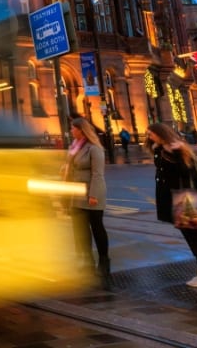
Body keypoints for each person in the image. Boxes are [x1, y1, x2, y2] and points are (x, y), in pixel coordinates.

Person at [145, 122, 197, 288]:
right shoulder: (161, 149)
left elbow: (186, 172)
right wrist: (158, 148)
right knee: (191, 234)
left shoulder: (177, 150)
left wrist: (174, 154)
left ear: (161, 133)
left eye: (151, 134)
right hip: (176, 197)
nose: (149, 137)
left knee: (193, 235)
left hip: (184, 198)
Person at [62, 116, 111, 289]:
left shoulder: (94, 148)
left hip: (92, 193)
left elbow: (98, 174)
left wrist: (94, 195)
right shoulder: (73, 147)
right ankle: (85, 260)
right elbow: (69, 169)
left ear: (81, 130)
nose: (70, 131)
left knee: (97, 228)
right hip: (76, 194)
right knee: (80, 230)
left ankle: (104, 263)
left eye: (73, 128)